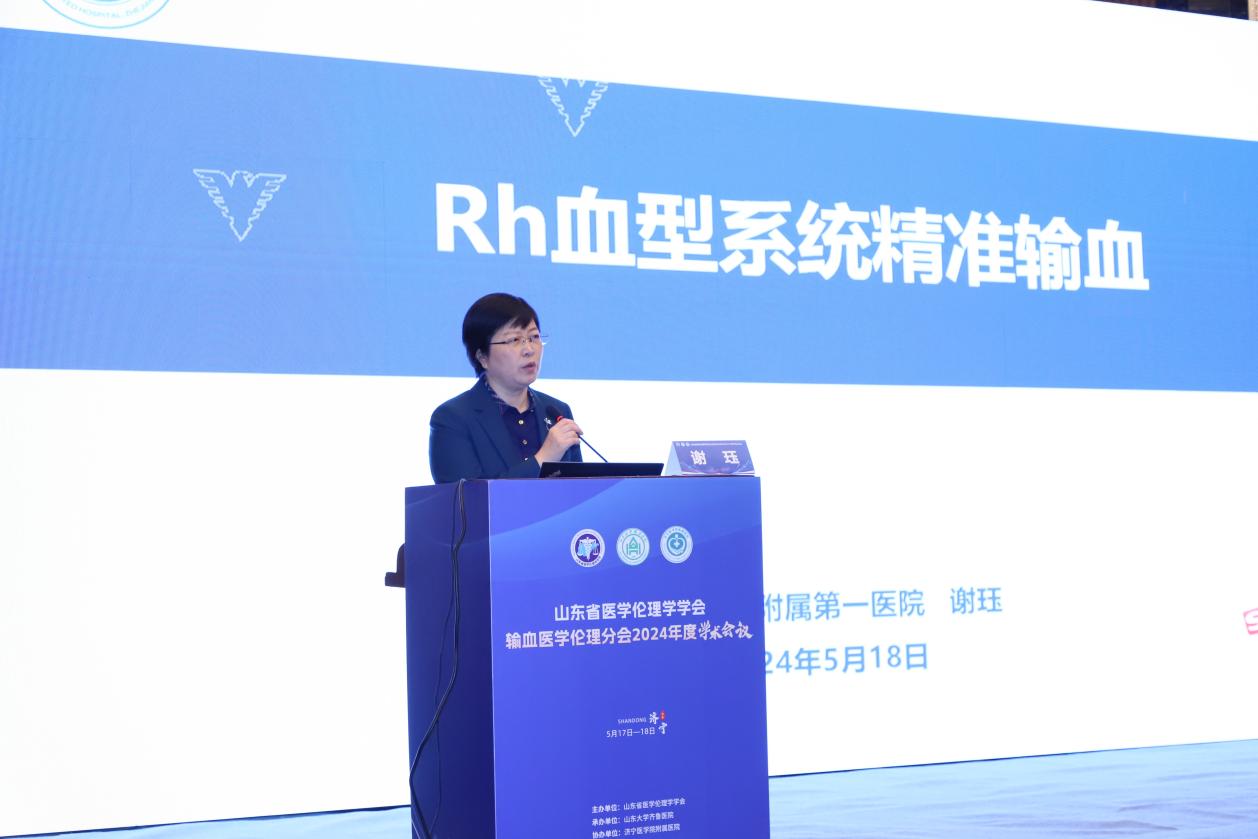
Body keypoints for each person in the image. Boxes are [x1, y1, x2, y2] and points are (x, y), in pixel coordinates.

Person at [428, 293, 583, 483]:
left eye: (534, 337)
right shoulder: (453, 419)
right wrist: (543, 458)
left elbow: (578, 491)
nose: (529, 349)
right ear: (482, 357)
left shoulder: (557, 411)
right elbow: (467, 497)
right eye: (514, 340)